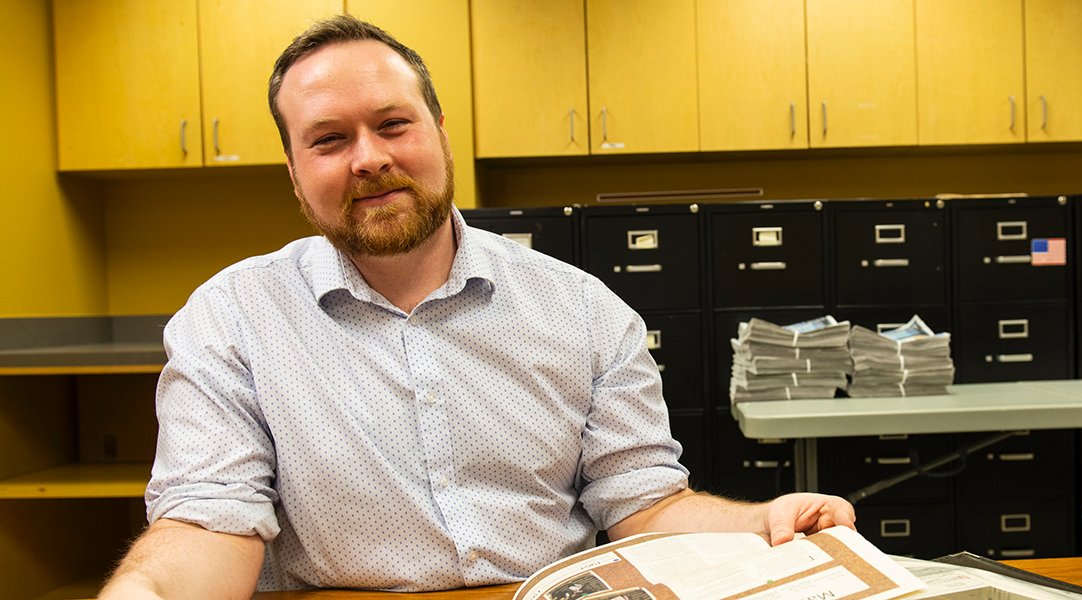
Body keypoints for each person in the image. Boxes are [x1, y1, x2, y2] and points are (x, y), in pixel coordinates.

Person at [98, 15, 853, 599]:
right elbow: (209, 520)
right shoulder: (233, 318)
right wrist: (145, 588)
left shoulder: (583, 311)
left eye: (393, 124)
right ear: (294, 175)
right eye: (329, 140)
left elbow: (644, 505)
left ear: (440, 135)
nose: (369, 158)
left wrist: (759, 522)